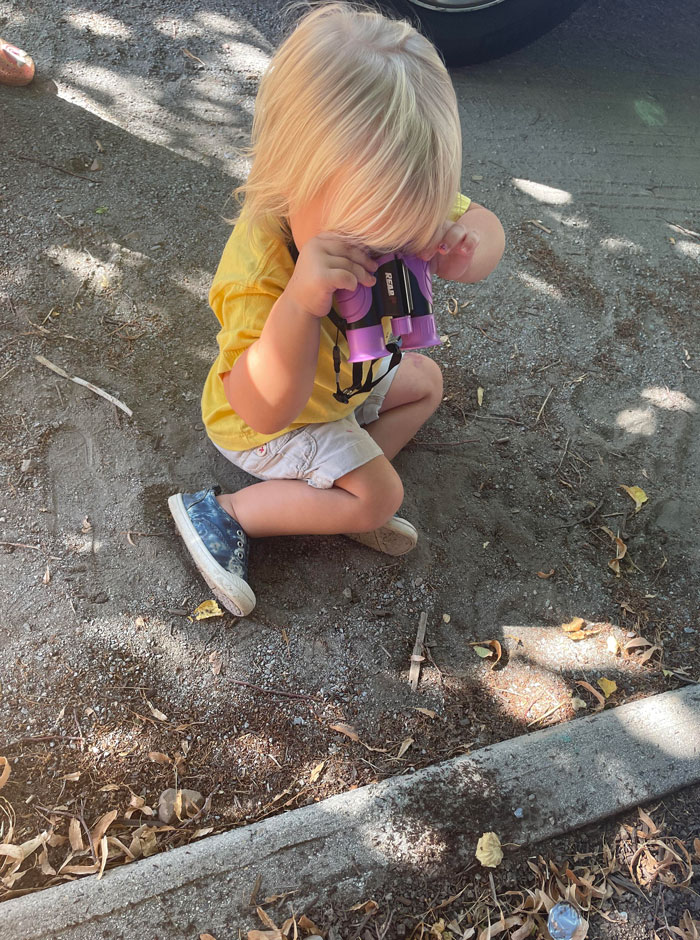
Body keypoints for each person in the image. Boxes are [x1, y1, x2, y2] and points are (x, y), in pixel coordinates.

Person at [168, 2, 504, 617]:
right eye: (370, 235)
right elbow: (260, 405)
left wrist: (466, 248)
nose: (391, 249)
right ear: (289, 177)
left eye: (407, 229)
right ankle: (225, 512)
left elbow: (481, 224)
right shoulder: (263, 273)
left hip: (348, 387)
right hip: (273, 426)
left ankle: (332, 488)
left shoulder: (391, 184)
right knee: (382, 497)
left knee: (428, 383)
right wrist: (300, 302)